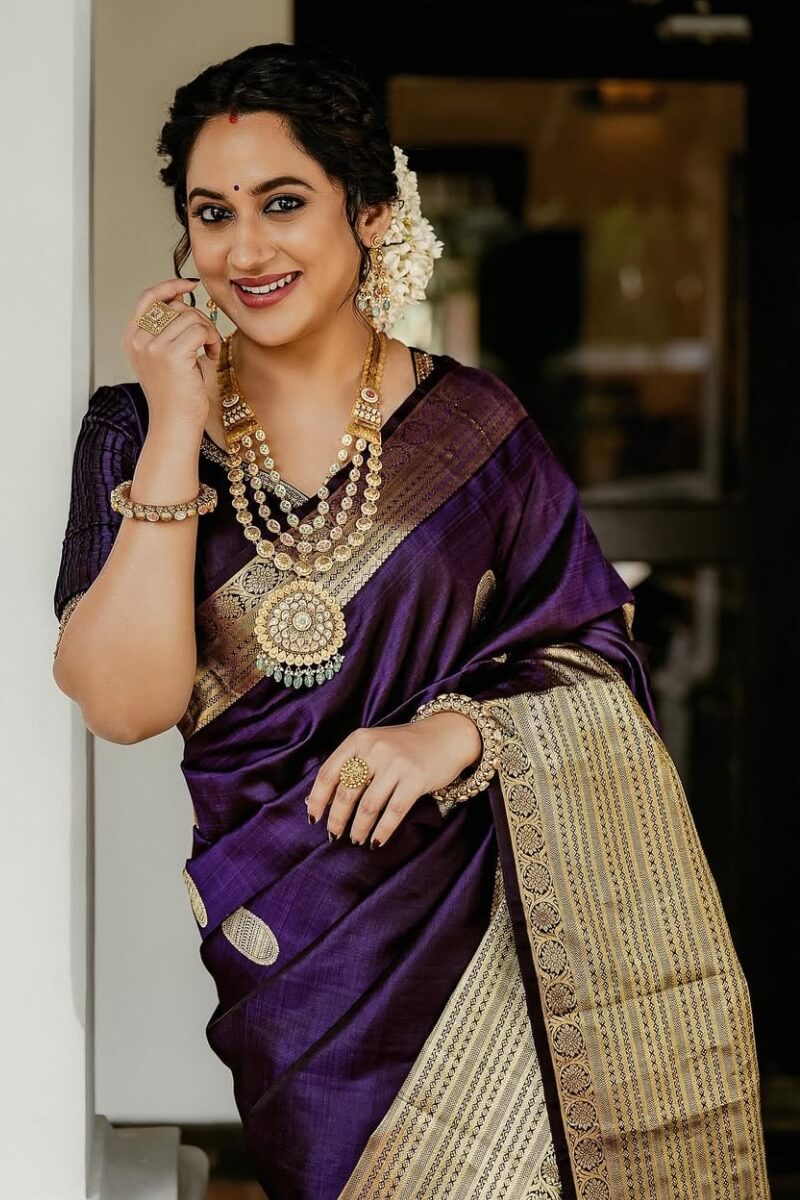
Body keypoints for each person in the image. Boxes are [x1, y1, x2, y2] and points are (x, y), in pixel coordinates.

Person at [52, 41, 771, 1200]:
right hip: (297, 962)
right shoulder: (131, 434)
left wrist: (457, 733)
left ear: (371, 214)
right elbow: (124, 705)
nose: (245, 248)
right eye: (212, 213)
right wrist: (178, 423)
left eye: (283, 203)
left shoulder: (475, 429)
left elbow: (591, 649)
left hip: (482, 924)